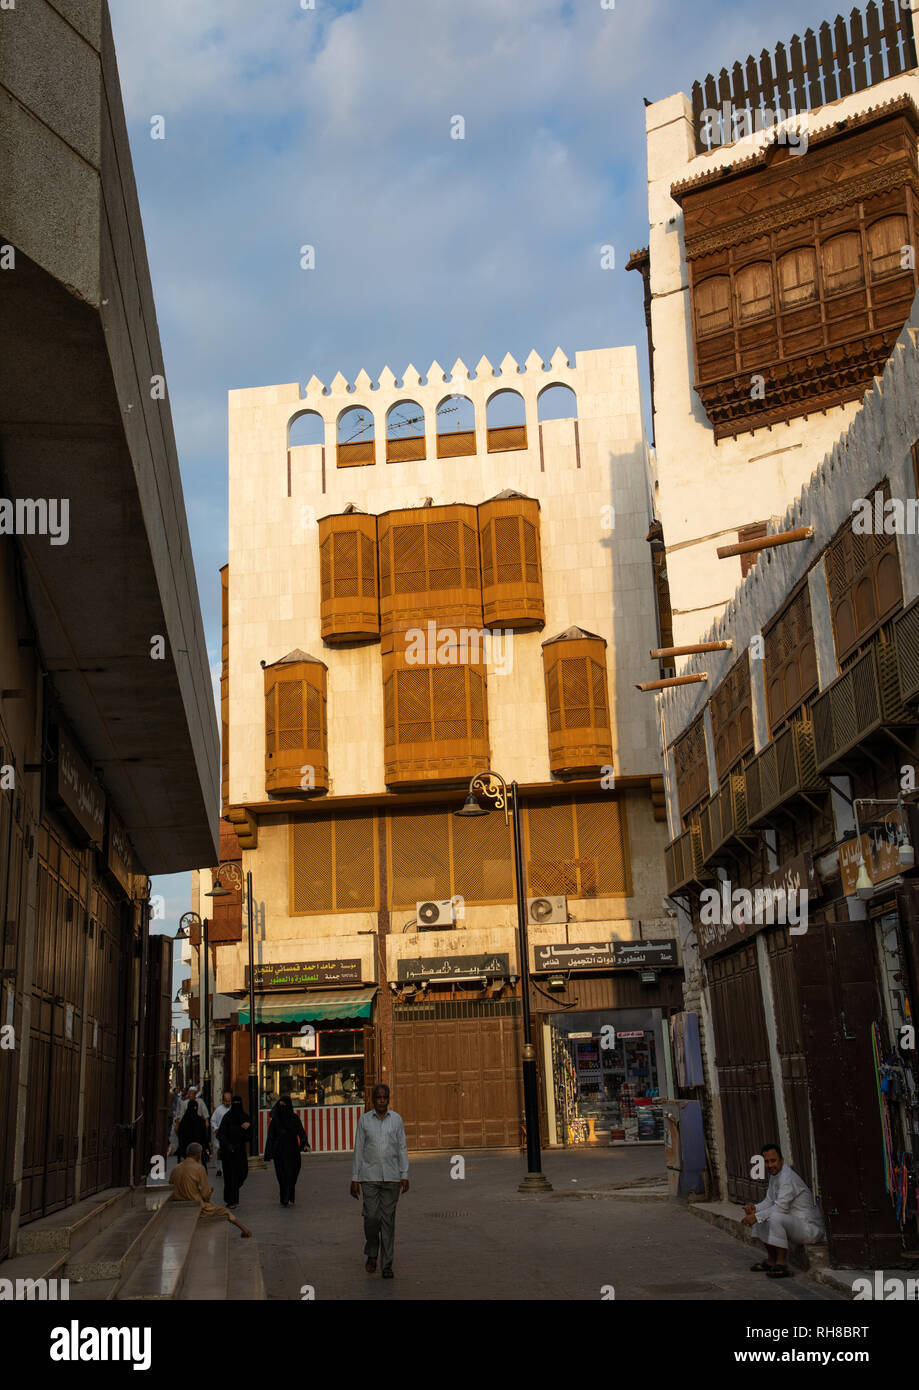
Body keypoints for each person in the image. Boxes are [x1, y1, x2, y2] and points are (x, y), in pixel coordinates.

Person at [350, 1084, 409, 1279]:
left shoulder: (397, 1120)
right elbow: (359, 1149)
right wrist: (354, 1179)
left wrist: (404, 1174)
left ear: (388, 1099)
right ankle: (372, 1251)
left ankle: (387, 1264)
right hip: (370, 1177)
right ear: (373, 1100)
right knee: (372, 1218)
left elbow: (402, 1148)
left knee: (388, 1222)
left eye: (385, 1097)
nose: (382, 1101)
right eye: (378, 1097)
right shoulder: (365, 1120)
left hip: (391, 1178)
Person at [742, 1142, 825, 1277]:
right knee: (760, 1215)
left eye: (773, 1161)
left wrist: (757, 1216)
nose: (770, 1165)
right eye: (767, 1162)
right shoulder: (775, 1175)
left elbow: (780, 1207)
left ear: (782, 1160)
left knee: (774, 1217)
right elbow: (769, 1201)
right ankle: (771, 1260)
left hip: (808, 1227)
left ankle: (781, 1264)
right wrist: (754, 1208)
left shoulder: (787, 1177)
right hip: (793, 1223)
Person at [168, 1142, 251, 1238]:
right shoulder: (199, 1168)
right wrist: (210, 1190)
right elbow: (205, 1196)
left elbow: (171, 1186)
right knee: (225, 1211)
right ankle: (245, 1230)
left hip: (178, 1205)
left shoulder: (176, 1168)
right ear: (198, 1154)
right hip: (197, 1206)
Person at [265, 1095, 309, 1206]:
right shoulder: (275, 1120)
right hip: (279, 1152)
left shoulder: (294, 1118)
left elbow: (300, 1131)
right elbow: (271, 1136)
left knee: (292, 1174)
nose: (283, 1108)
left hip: (292, 1151)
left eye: (285, 1106)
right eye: (281, 1106)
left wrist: (304, 1144)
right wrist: (269, 1152)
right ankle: (285, 1197)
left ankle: (288, 1196)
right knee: (282, 1175)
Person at [217, 1095, 251, 1208]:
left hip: (240, 1152)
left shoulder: (245, 1117)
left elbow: (249, 1136)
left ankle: (233, 1194)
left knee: (242, 1173)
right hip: (228, 1153)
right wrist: (228, 1145)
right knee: (230, 1177)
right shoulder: (227, 1117)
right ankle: (231, 1200)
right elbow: (221, 1134)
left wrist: (247, 1128)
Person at [176, 1087, 210, 1162]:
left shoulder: (200, 1102)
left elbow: (205, 1113)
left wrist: (206, 1121)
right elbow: (181, 1115)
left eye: (193, 1093)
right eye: (190, 1093)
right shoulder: (184, 1103)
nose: (191, 1094)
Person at [211, 1090, 233, 1178]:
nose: (228, 1102)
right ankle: (219, 1169)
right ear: (223, 1100)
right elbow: (213, 1120)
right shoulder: (218, 1110)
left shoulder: (233, 1109)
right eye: (226, 1100)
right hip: (220, 1135)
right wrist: (216, 1128)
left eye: (229, 1100)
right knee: (220, 1152)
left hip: (230, 1135)